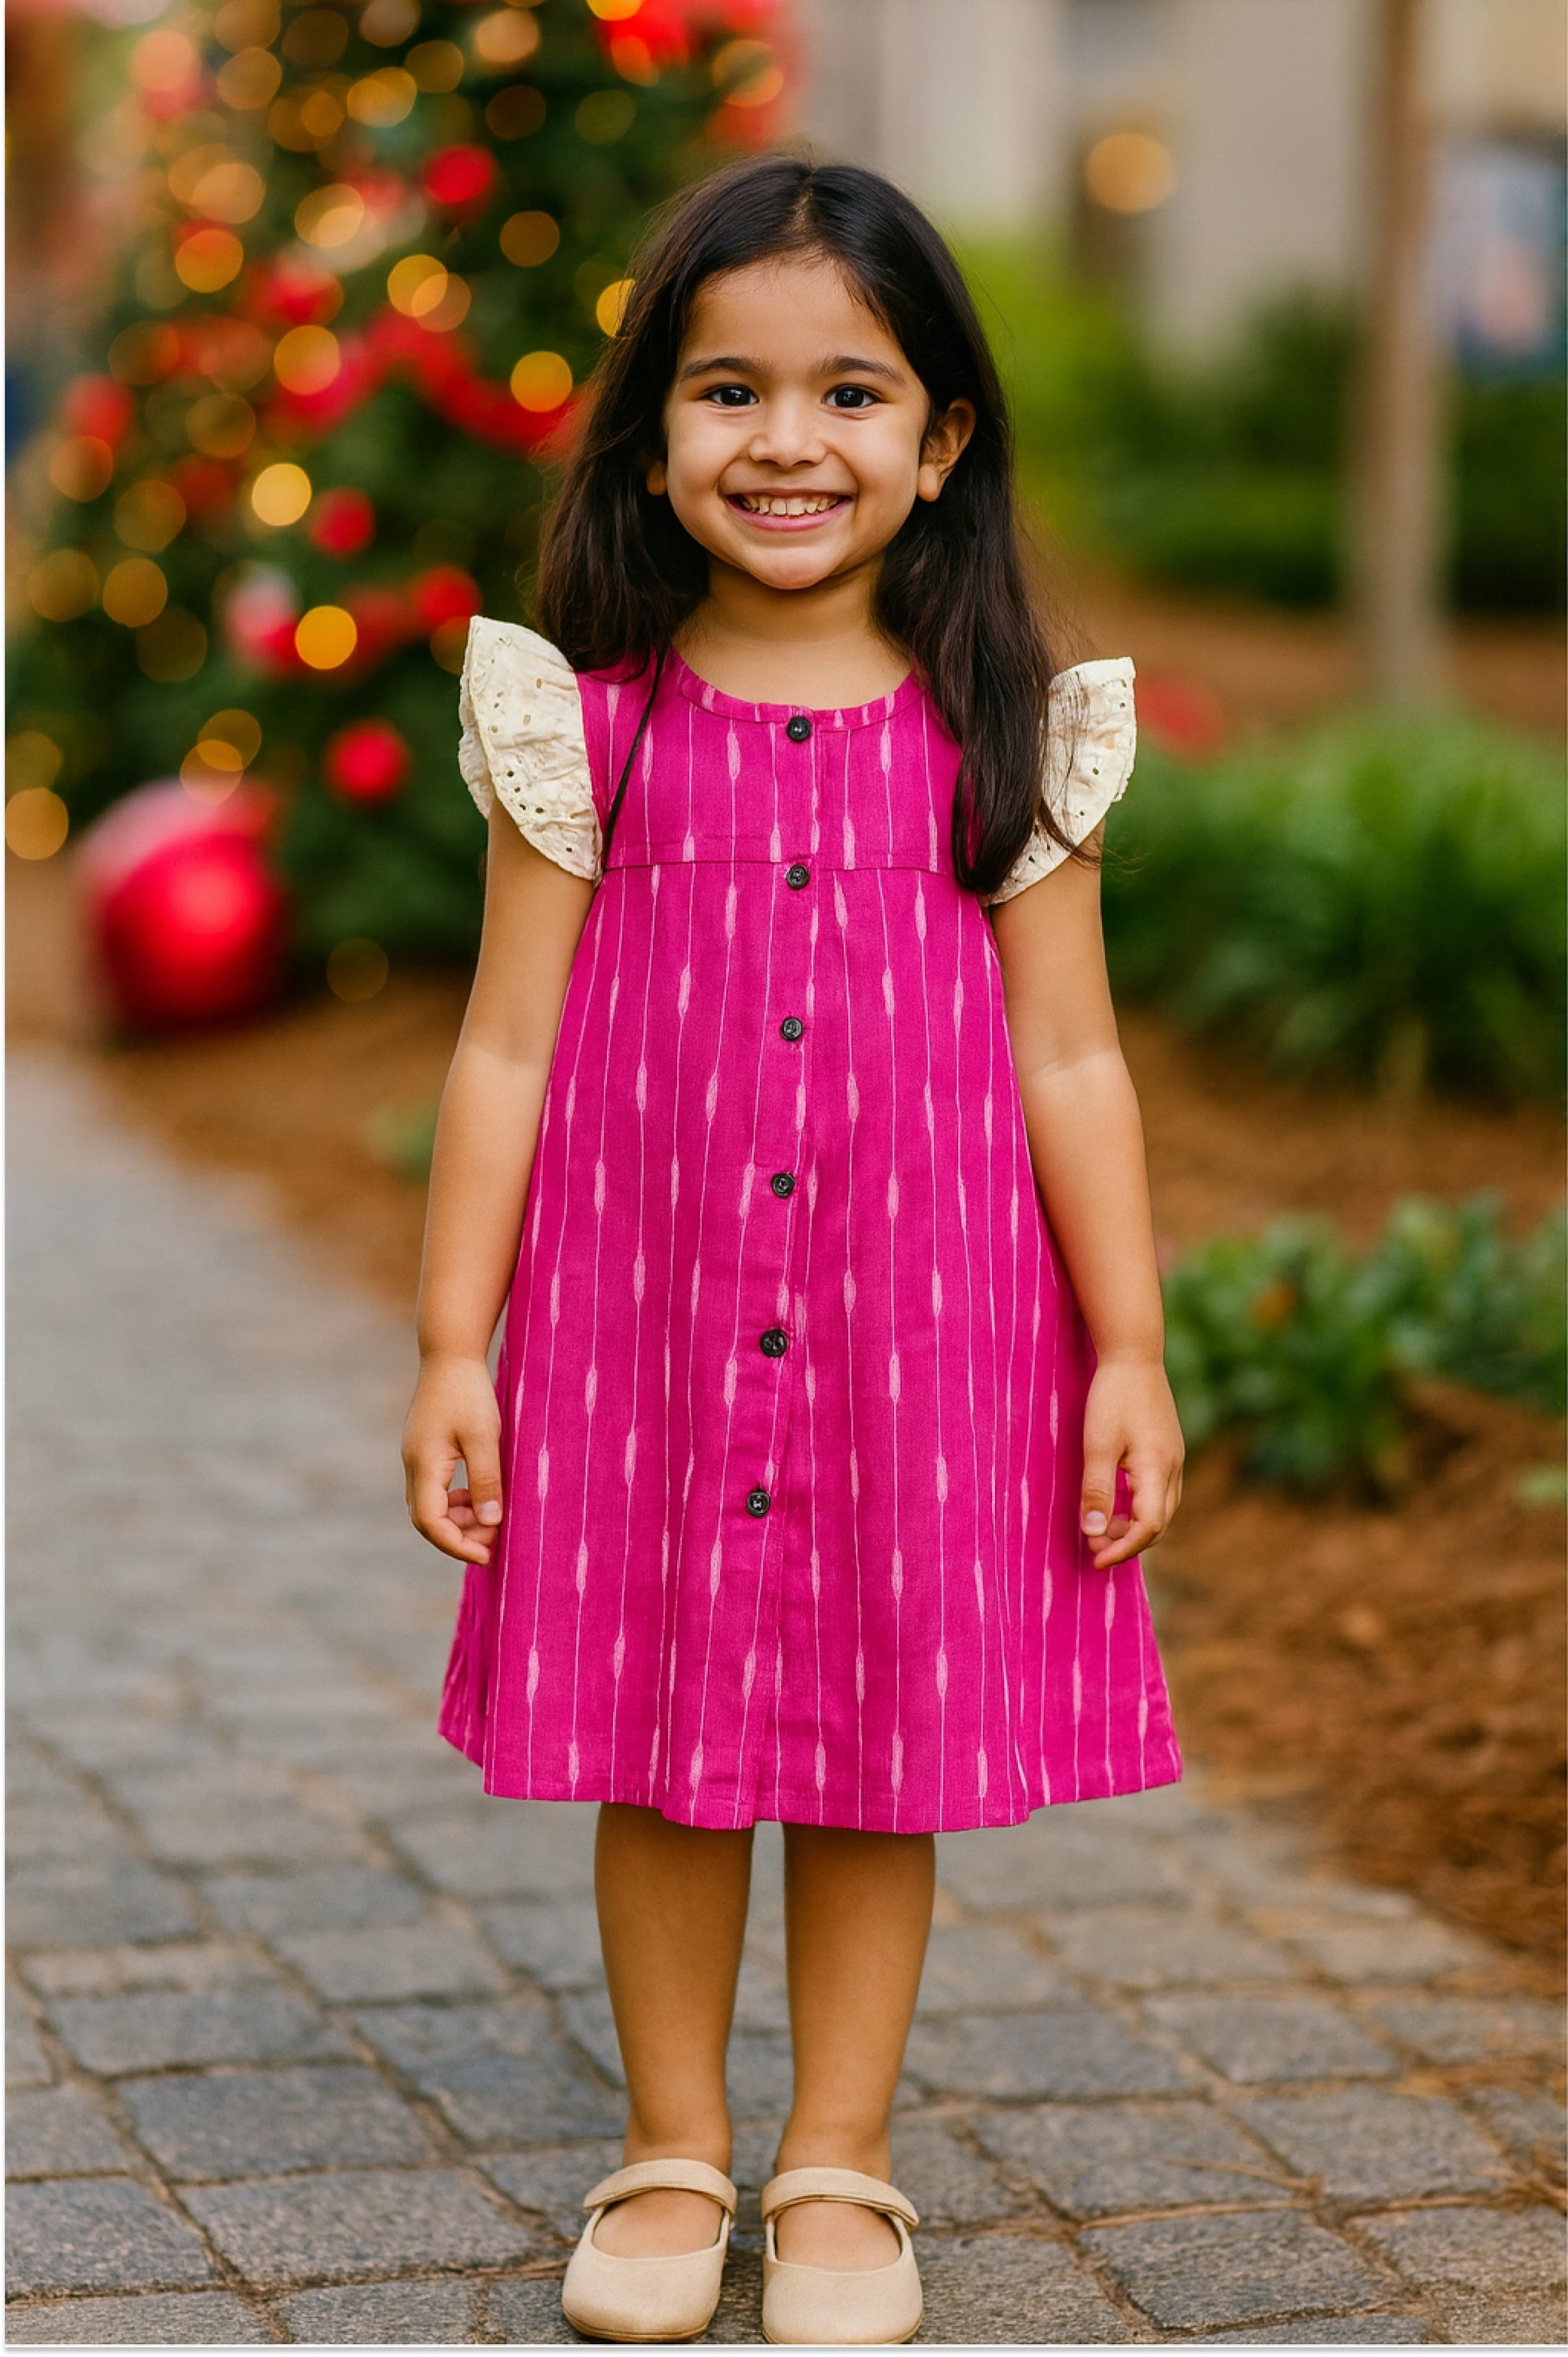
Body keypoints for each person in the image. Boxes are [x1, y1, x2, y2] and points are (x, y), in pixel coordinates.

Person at [402, 154, 1185, 2347]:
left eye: (850, 393)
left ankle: (837, 2161)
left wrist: (1124, 1348)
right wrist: (454, 1341)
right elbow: (498, 1050)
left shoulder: (1008, 740)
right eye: (728, 388)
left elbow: (1073, 1066)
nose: (782, 441)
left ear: (940, 443)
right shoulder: (582, 730)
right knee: (663, 1742)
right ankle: (669, 2141)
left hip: (916, 1343)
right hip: (638, 1336)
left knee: (872, 1746)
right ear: (653, 427)